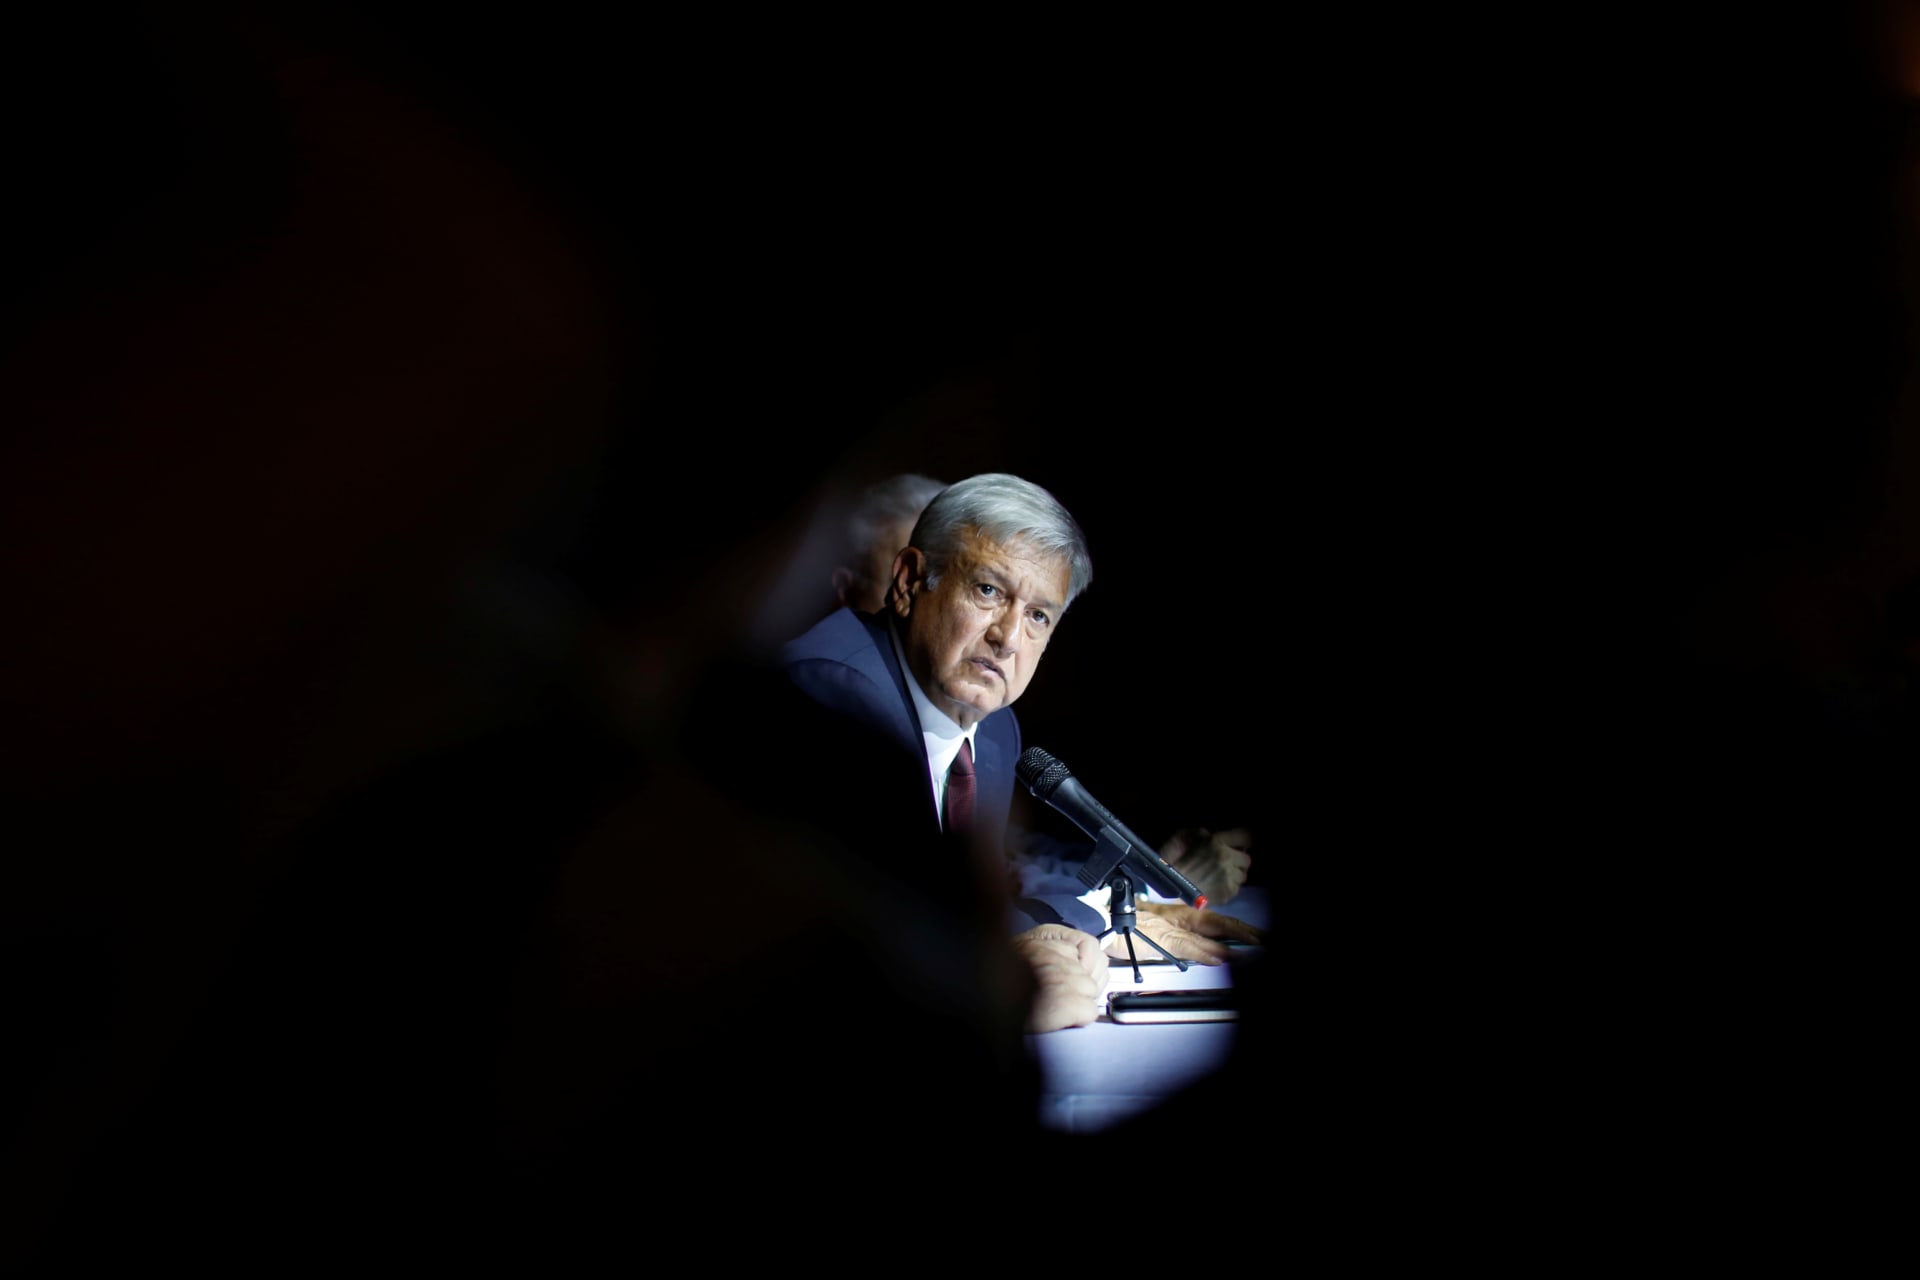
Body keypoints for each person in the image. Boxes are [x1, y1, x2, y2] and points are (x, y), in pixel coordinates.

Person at [778, 472, 1260, 1033]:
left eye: (1038, 616)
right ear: (909, 581)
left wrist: (1107, 924)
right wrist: (997, 992)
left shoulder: (994, 730)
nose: (1008, 637)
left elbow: (982, 896)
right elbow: (853, 955)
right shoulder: (836, 695)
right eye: (988, 591)